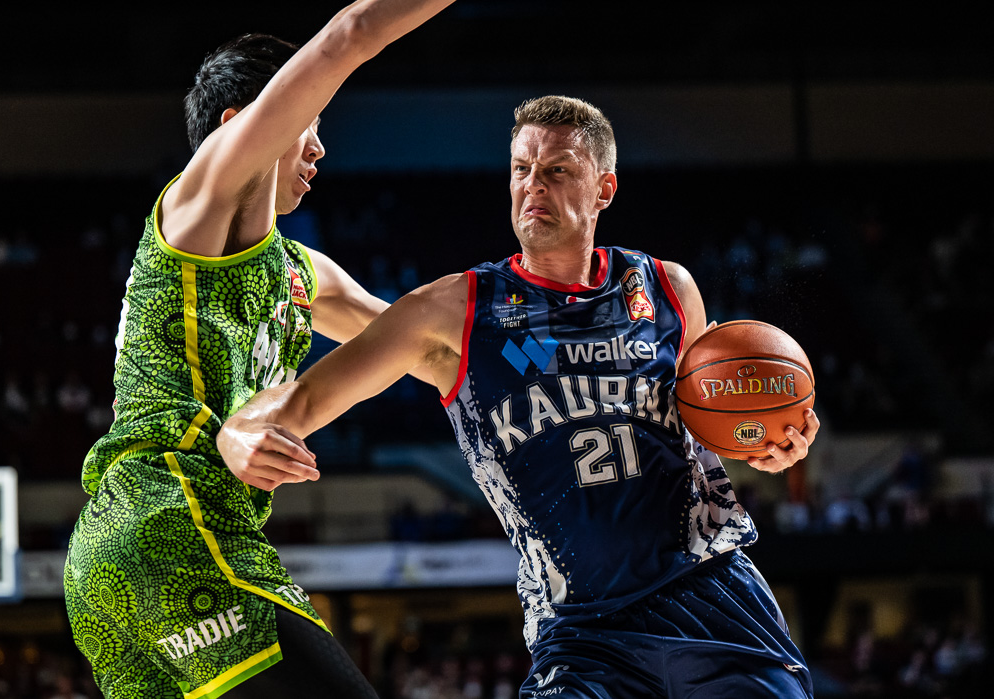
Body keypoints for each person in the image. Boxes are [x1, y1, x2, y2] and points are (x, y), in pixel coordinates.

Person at [218, 95, 822, 697]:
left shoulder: (665, 287)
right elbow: (298, 403)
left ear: (603, 190)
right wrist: (234, 432)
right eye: (522, 169)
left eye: (558, 170)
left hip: (711, 593)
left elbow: (712, 423)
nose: (534, 185)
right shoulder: (455, 310)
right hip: (582, 629)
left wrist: (769, 444)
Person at [62, 2, 455, 698]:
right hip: (169, 519)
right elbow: (348, 37)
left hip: (112, 567)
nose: (320, 149)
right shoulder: (197, 209)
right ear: (242, 125)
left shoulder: (306, 274)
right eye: (310, 123)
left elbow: (427, 351)